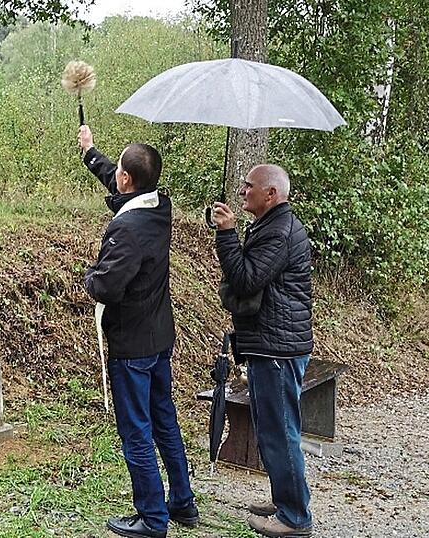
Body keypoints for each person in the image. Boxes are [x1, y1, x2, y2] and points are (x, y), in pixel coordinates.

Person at [77, 124, 197, 538]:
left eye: (121, 172)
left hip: (132, 345)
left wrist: (88, 276)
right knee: (165, 422)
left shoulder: (127, 229)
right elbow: (121, 180)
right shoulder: (158, 205)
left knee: (136, 432)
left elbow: (108, 286)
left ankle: (152, 517)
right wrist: (91, 153)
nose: (118, 179)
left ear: (129, 179)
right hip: (159, 336)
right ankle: (181, 502)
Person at [211, 164, 314, 538]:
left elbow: (246, 278)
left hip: (277, 348)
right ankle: (285, 499)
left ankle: (295, 517)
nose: (242, 191)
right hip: (272, 343)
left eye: (249, 186)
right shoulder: (272, 226)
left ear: (271, 194)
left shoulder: (279, 232)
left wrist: (226, 235)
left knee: (279, 431)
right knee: (273, 429)